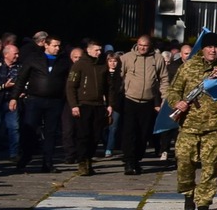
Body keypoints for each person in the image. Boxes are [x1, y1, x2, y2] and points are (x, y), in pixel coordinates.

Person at [164, 32, 217, 210]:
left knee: (210, 167)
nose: (213, 50)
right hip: (189, 124)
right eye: (209, 47)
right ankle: (188, 193)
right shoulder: (188, 67)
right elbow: (173, 90)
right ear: (203, 49)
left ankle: (204, 204)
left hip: (214, 126)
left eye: (216, 47)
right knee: (184, 162)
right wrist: (177, 103)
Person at [16, 34, 68, 173]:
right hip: (35, 99)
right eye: (54, 45)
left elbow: (68, 81)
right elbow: (21, 78)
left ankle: (48, 162)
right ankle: (26, 156)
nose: (57, 48)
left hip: (55, 101)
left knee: (50, 133)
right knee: (30, 130)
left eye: (59, 46)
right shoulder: (34, 58)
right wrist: (14, 97)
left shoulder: (63, 61)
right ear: (46, 45)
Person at [117, 34, 168, 174]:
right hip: (130, 100)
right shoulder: (127, 57)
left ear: (150, 46)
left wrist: (164, 97)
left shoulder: (157, 59)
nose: (142, 48)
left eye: (145, 46)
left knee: (143, 133)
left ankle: (137, 159)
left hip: (148, 101)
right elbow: (118, 77)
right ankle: (129, 161)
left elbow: (164, 78)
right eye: (140, 45)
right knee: (129, 132)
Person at [66, 39, 110, 176]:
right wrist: (74, 105)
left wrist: (109, 104)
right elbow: (71, 86)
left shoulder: (102, 65)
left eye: (100, 50)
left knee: (96, 135)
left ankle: (89, 159)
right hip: (83, 104)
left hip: (98, 105)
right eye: (96, 50)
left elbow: (108, 87)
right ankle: (82, 162)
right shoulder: (79, 65)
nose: (99, 52)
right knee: (83, 135)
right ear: (89, 50)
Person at [0, 41, 20, 164]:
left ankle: (14, 154)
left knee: (13, 127)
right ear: (6, 54)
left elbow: (25, 82)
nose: (17, 56)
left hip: (12, 101)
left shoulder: (20, 67)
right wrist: (3, 86)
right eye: (15, 54)